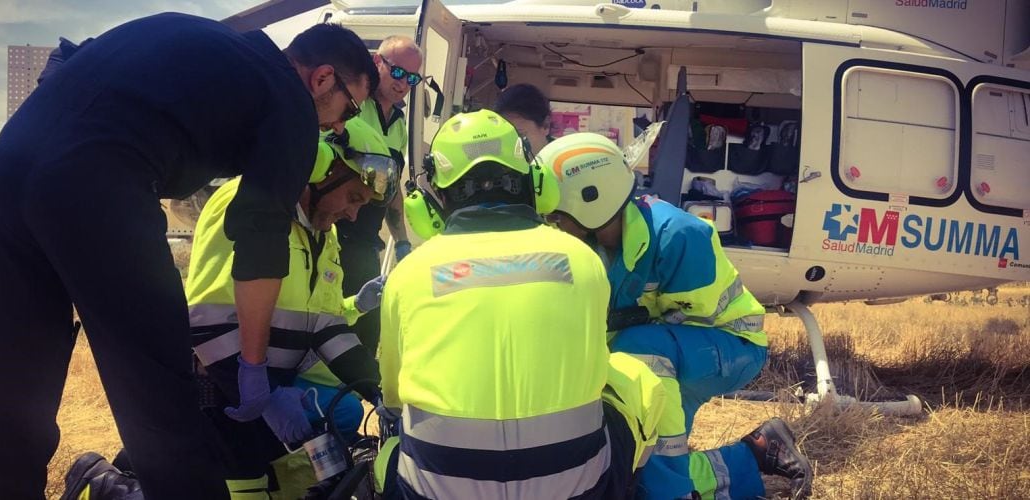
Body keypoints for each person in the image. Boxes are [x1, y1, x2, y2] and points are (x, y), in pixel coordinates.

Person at [0, 13, 378, 499]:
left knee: (13, 405)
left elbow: (67, 62)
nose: (337, 125)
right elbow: (261, 235)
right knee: (163, 406)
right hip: (101, 177)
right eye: (349, 109)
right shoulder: (289, 98)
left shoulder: (212, 43)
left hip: (13, 160)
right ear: (322, 78)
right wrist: (251, 368)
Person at [373, 109, 667, 499]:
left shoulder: (409, 273)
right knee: (638, 380)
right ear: (537, 184)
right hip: (576, 489)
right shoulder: (582, 260)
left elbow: (393, 396)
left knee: (390, 447)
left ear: (431, 201)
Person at [539, 133, 814, 499]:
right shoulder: (588, 246)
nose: (549, 221)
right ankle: (757, 452)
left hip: (729, 346)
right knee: (636, 474)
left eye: (555, 212)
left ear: (593, 199)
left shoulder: (678, 235)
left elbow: (677, 325)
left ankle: (671, 492)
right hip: (665, 349)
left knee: (640, 358)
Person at [186, 117, 396, 498]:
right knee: (239, 489)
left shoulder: (323, 235)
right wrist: (263, 395)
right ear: (321, 168)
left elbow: (327, 326)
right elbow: (207, 321)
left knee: (285, 487)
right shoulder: (246, 201)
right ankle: (109, 487)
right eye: (352, 198)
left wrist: (379, 389)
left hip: (271, 390)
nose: (352, 215)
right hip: (222, 391)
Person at [336, 35, 423, 355]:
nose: (403, 84)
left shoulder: (399, 124)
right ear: (377, 62)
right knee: (333, 323)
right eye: (398, 72)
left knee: (367, 331)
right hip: (336, 229)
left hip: (366, 238)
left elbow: (390, 185)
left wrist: (401, 240)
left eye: (412, 79)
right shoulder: (354, 107)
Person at [492, 83, 554, 154]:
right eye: (505, 138)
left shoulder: (566, 162)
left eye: (520, 136)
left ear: (545, 126)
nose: (510, 147)